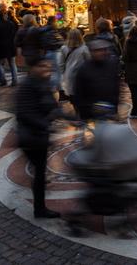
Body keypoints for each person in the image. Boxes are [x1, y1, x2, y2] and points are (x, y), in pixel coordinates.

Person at [15, 57, 61, 218]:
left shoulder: (42, 82)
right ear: (32, 68)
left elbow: (52, 105)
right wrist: (45, 124)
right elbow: (25, 113)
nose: (46, 69)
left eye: (48, 66)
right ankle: (39, 209)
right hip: (31, 138)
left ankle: (40, 208)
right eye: (42, 66)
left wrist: (68, 116)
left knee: (40, 172)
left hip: (39, 136)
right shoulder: (27, 86)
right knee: (40, 174)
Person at [74, 39, 120, 120]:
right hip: (92, 113)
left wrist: (115, 108)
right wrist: (85, 113)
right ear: (91, 52)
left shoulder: (112, 64)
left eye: (103, 50)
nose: (101, 53)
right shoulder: (84, 69)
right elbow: (79, 93)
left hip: (110, 110)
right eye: (97, 51)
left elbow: (116, 86)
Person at [58, 29, 91, 117]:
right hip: (81, 75)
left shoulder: (63, 48)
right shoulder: (84, 48)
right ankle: (82, 112)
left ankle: (77, 111)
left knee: (72, 94)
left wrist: (63, 74)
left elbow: (60, 64)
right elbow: (89, 61)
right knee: (82, 93)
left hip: (69, 75)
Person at [0, 10, 18, 87]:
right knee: (12, 64)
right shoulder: (10, 24)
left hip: (1, 47)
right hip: (11, 46)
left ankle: (3, 80)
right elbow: (14, 35)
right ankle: (15, 80)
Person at [41, 16, 64, 93]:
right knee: (56, 72)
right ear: (53, 22)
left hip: (48, 52)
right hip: (54, 52)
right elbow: (55, 43)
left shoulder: (45, 30)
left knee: (53, 72)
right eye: (56, 21)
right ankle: (55, 90)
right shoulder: (52, 31)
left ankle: (55, 89)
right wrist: (61, 42)